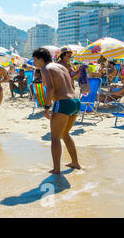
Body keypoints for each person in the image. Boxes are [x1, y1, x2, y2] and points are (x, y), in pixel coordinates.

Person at [33, 47, 81, 175]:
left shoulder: (45, 68)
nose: (33, 62)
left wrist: (47, 107)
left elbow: (50, 88)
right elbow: (72, 85)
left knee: (55, 137)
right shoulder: (62, 67)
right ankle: (75, 163)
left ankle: (56, 169)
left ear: (41, 59)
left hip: (63, 103)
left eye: (34, 59)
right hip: (75, 102)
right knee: (65, 134)